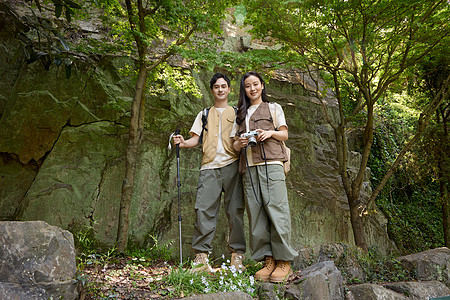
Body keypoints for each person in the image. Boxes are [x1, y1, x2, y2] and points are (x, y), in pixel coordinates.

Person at [173, 73, 246, 272]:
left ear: (229, 90)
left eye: (224, 86)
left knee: (235, 210)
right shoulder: (204, 113)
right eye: (216, 87)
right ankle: (201, 257)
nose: (220, 90)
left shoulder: (239, 113)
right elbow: (195, 140)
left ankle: (237, 256)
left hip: (233, 165)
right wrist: (182, 142)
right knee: (203, 210)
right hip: (209, 167)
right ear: (212, 90)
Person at [232, 71, 298, 283]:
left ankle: (283, 262)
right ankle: (268, 260)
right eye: (248, 86)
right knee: (256, 214)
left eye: (255, 84)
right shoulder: (240, 114)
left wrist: (269, 133)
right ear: (244, 90)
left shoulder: (273, 108)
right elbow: (234, 144)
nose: (252, 89)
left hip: (271, 164)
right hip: (249, 168)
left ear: (262, 86)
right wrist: (240, 143)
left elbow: (284, 134)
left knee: (277, 211)